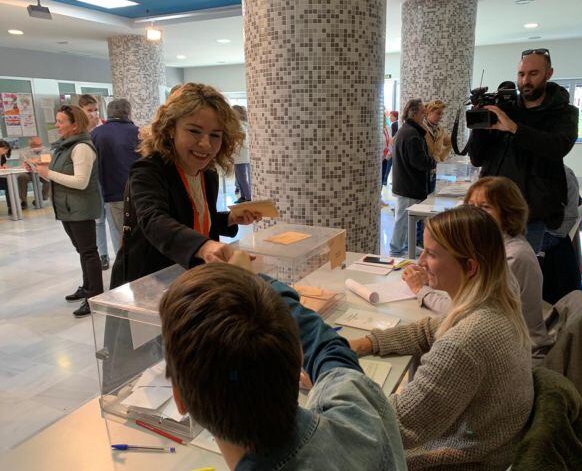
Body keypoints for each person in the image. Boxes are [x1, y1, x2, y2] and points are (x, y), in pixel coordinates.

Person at [160, 262, 407, 470]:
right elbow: (331, 349)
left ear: (180, 400)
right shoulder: (359, 409)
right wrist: (252, 277)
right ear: (299, 357)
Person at [350, 205, 534, 470]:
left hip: (464, 460)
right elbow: (427, 330)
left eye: (432, 254)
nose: (420, 261)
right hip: (490, 448)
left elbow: (396, 425)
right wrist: (365, 343)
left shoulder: (467, 340)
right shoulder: (494, 305)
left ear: (469, 267)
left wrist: (335, 377)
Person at [110, 83, 260, 288]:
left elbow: (193, 221)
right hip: (152, 280)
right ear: (171, 128)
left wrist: (230, 218)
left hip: (191, 279)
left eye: (215, 135)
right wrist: (205, 246)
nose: (206, 144)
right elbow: (154, 221)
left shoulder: (207, 173)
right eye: (194, 131)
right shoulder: (149, 170)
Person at [404, 176, 554, 355]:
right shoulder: (493, 247)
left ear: (508, 213)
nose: (474, 213)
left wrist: (421, 289)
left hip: (524, 351)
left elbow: (464, 311)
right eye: (470, 206)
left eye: (485, 207)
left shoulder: (512, 257)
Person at [469, 48, 579, 252]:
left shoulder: (564, 113)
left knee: (520, 273)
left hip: (531, 214)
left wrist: (514, 128)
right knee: (488, 272)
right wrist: (480, 127)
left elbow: (558, 147)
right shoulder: (504, 107)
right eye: (521, 74)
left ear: (549, 73)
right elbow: (477, 159)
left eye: (533, 73)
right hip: (490, 209)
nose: (525, 80)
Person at [33, 105, 103, 317]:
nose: (57, 125)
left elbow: (81, 182)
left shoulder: (81, 148)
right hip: (68, 208)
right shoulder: (65, 146)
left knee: (89, 252)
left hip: (80, 208)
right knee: (82, 250)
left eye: (61, 121)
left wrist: (49, 173)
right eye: (57, 120)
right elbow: (58, 176)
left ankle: (95, 296)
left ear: (75, 125)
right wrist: (40, 172)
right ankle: (87, 286)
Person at [91, 98, 139, 252]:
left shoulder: (96, 134)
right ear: (128, 113)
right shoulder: (139, 133)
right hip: (138, 192)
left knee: (118, 234)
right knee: (141, 231)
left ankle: (124, 268)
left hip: (111, 193)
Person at [389, 98, 434, 257]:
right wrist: (433, 163)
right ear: (414, 114)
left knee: (408, 219)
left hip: (406, 183)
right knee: (403, 219)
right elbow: (418, 161)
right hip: (409, 184)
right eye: (423, 112)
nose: (424, 115)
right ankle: (396, 249)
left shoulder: (406, 130)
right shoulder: (411, 134)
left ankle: (408, 246)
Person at [79, 94, 109, 270]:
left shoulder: (105, 127)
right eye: (89, 110)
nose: (94, 113)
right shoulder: (81, 132)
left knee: (114, 221)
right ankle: (103, 255)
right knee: (98, 220)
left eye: (96, 109)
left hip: (109, 178)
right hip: (91, 181)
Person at [422, 99, 452, 166]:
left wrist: (441, 158)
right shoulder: (420, 127)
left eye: (442, 114)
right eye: (438, 113)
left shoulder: (440, 130)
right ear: (429, 112)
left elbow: (450, 143)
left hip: (436, 168)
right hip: (423, 168)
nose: (441, 116)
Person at [232, 105, 251, 204]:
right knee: (240, 178)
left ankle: (248, 197)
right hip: (239, 155)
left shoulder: (241, 124)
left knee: (242, 178)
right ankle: (243, 196)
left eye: (234, 113)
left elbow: (242, 136)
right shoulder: (242, 123)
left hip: (241, 156)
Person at [381, 112, 394, 206]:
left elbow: (390, 141)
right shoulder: (376, 129)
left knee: (382, 177)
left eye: (384, 116)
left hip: (386, 157)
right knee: (379, 177)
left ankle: (379, 196)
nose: (383, 117)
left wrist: (390, 152)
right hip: (379, 157)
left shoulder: (387, 128)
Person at [0, 139, 16, 214]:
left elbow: (2, 166)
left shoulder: (2, 157)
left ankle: (11, 207)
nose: (5, 151)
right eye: (3, 149)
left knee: (9, 183)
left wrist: (3, 167)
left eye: (6, 150)